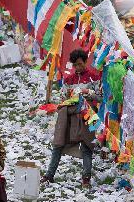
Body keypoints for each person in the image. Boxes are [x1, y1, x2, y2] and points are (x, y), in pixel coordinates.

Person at [42, 49, 100, 188]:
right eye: (76, 65)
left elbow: (100, 97)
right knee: (58, 143)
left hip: (87, 115)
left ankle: (86, 178)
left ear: (86, 62)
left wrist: (88, 93)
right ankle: (49, 175)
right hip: (70, 115)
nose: (78, 68)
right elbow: (63, 98)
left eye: (80, 64)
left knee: (87, 146)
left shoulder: (93, 78)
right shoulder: (68, 80)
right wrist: (69, 97)